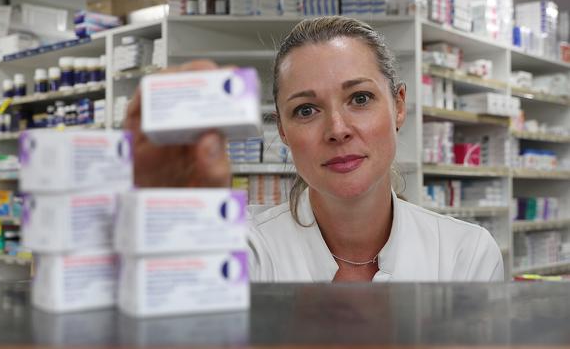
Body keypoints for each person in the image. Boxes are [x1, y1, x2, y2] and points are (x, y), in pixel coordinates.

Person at [126, 16, 504, 282]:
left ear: (399, 106)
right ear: (283, 130)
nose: (337, 130)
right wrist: (173, 219)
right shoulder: (243, 248)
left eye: (360, 98)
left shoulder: (464, 254)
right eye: (306, 110)